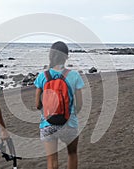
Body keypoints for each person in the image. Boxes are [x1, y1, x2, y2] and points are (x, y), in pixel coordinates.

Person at [34, 41, 84, 169]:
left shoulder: (42, 76)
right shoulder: (74, 75)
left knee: (52, 160)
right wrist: (70, 113)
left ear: (51, 56)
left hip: (48, 124)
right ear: (66, 57)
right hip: (69, 123)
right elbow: (79, 104)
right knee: (72, 154)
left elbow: (37, 105)